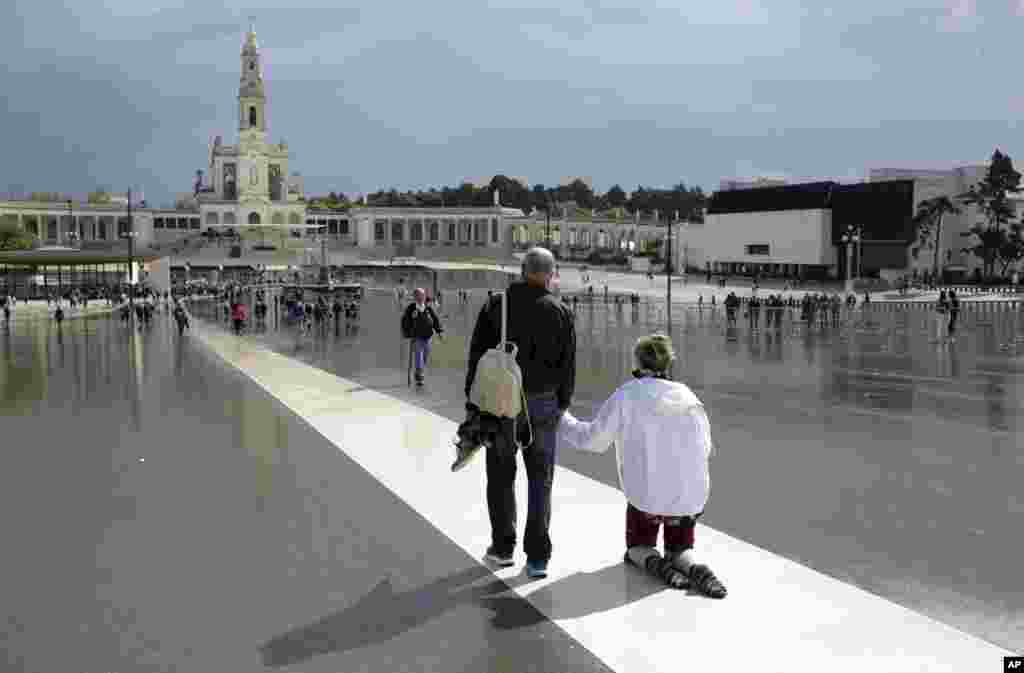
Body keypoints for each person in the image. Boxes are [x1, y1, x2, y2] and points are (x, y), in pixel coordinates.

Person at [558, 334, 727, 598]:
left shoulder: (628, 394)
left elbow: (592, 440)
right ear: (668, 364)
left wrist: (561, 418)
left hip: (647, 501)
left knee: (637, 547)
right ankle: (692, 567)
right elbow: (705, 449)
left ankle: (657, 566)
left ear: (637, 362)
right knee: (680, 549)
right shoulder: (689, 396)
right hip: (690, 502)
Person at [464, 247, 576, 578]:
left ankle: (502, 548)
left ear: (522, 270)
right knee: (541, 480)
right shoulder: (560, 310)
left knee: (500, 475)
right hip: (542, 404)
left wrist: (474, 405)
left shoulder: (496, 305)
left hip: (500, 403)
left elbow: (477, 356)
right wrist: (562, 403)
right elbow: (568, 366)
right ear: (551, 274)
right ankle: (538, 558)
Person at [401, 288, 444, 386]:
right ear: (415, 297)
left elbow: (435, 320)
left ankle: (419, 371)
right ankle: (419, 375)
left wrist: (439, 331)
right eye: (418, 296)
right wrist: (408, 330)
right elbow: (405, 321)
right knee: (418, 355)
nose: (421, 298)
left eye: (422, 295)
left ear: (424, 297)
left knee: (425, 356)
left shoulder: (428, 308)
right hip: (416, 337)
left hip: (427, 337)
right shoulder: (411, 308)